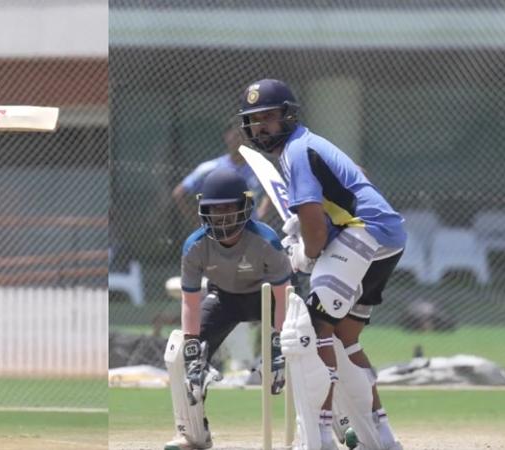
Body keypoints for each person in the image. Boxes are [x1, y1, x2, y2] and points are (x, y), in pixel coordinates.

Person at [238, 78, 405, 450]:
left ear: (288, 116)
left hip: (365, 233)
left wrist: (305, 253)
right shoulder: (308, 145)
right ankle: (382, 437)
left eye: (270, 117)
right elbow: (356, 177)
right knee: (346, 339)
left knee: (313, 328)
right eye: (255, 119)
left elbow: (315, 230)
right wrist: (310, 236)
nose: (262, 126)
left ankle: (320, 438)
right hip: (386, 236)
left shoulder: (296, 153)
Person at [164, 167, 291, 450]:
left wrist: (279, 343)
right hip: (224, 298)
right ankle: (192, 433)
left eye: (228, 209)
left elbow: (283, 297)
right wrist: (193, 346)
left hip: (267, 298)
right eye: (214, 210)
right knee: (179, 356)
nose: (221, 217)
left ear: (245, 207)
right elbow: (190, 300)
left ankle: (325, 425)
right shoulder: (194, 246)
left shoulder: (266, 241)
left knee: (305, 345)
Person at [172, 120, 271, 226]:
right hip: (218, 233)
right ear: (226, 137)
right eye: (236, 136)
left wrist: (262, 213)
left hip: (251, 233)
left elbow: (272, 191)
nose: (239, 140)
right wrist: (197, 222)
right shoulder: (209, 168)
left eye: (243, 136)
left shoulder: (260, 168)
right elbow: (179, 193)